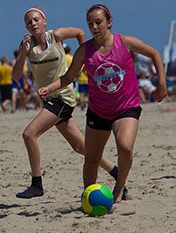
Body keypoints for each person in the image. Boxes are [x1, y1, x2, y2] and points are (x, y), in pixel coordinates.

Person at [38, 4, 167, 203]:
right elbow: (68, 77)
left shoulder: (125, 42)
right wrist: (50, 88)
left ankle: (119, 186)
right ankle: (89, 198)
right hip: (98, 112)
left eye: (98, 22)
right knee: (91, 160)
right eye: (90, 24)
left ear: (109, 22)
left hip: (126, 108)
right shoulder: (84, 50)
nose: (94, 27)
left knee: (124, 147)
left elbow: (155, 54)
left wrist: (161, 83)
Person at [12, 7, 120, 199]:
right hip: (49, 100)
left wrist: (86, 60)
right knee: (81, 148)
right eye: (29, 22)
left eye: (36, 20)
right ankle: (116, 173)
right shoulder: (27, 47)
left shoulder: (56, 35)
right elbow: (15, 75)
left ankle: (37, 184)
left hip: (63, 97)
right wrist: (22, 52)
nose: (33, 24)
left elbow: (79, 32)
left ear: (44, 20)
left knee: (29, 134)